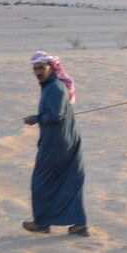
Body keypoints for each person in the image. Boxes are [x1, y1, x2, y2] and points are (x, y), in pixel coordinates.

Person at [22, 51, 89, 237]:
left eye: (41, 68)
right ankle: (78, 225)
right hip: (65, 140)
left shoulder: (55, 88)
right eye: (35, 69)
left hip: (57, 142)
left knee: (41, 182)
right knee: (69, 181)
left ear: (51, 68)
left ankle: (42, 223)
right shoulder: (52, 86)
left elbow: (53, 116)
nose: (37, 72)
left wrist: (34, 118)